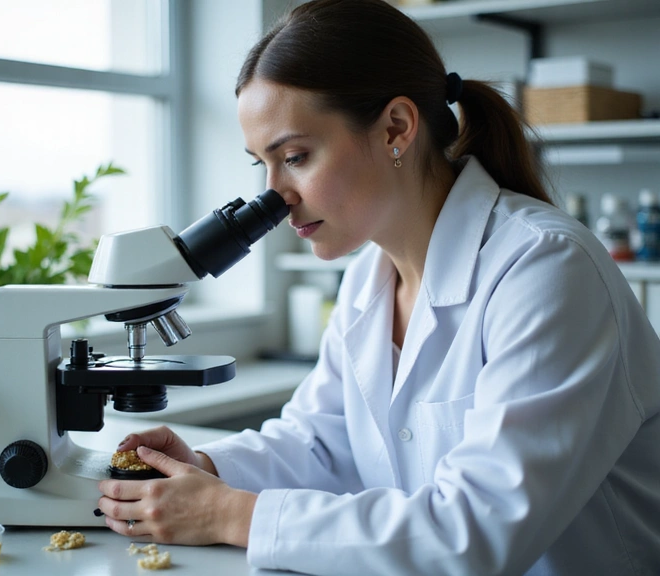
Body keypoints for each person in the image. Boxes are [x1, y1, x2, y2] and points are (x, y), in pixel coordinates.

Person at [97, 0, 660, 574]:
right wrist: (207, 470)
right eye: (260, 165)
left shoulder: (545, 270)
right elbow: (321, 441)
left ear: (396, 128)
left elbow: (474, 532)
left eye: (295, 156)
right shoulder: (370, 276)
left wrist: (232, 515)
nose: (274, 195)